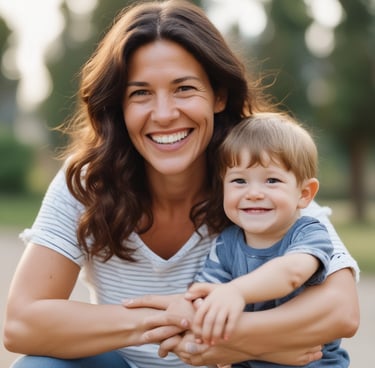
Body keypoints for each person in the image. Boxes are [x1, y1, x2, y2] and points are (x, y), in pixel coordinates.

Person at [3, 1, 359, 367]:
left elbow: (341, 311)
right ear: (119, 107)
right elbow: (20, 324)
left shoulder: (256, 179)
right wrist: (183, 323)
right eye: (140, 93)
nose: (164, 114)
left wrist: (240, 343)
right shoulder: (87, 183)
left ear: (218, 95)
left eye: (184, 88)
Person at [184, 113, 349, 367]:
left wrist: (236, 292)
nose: (254, 193)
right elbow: (204, 307)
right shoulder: (225, 244)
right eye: (239, 181)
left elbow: (291, 273)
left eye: (272, 180)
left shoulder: (309, 233)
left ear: (304, 194)